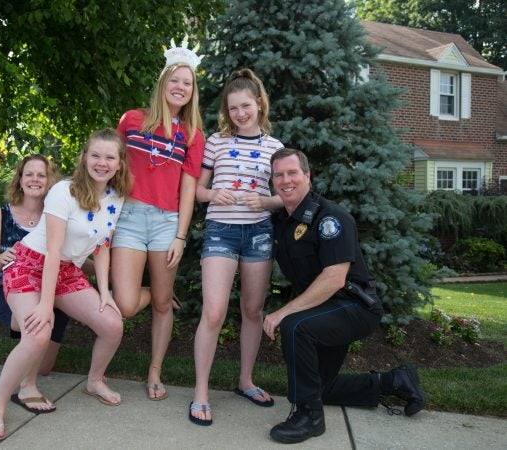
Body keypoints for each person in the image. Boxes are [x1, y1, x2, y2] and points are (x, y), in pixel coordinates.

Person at [262, 148, 425, 444]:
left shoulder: (330, 218)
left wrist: (282, 312)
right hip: (325, 307)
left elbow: (335, 278)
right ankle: (394, 381)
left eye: (292, 173)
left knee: (294, 326)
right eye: (278, 175)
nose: (285, 180)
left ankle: (310, 417)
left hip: (354, 306)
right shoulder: (282, 221)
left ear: (307, 176)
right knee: (319, 387)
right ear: (272, 181)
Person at [0, 128, 133, 441]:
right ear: (84, 158)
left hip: (65, 270)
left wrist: (105, 292)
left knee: (112, 324)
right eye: (95, 155)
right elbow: (52, 251)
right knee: (38, 334)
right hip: (28, 264)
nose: (101, 163)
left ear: (119, 163)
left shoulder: (116, 197)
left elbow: (103, 243)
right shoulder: (64, 191)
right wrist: (44, 305)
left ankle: (94, 380)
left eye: (109, 157)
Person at [111, 36, 205, 401]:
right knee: (127, 304)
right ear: (163, 83)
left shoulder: (193, 135)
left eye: (187, 82)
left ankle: (155, 370)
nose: (180, 87)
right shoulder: (132, 120)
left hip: (167, 223)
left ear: (192, 91)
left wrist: (181, 236)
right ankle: (153, 290)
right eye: (175, 80)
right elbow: (111, 168)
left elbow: (187, 189)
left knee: (163, 306)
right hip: (130, 219)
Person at [189, 69, 284, 426]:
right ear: (226, 112)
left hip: (258, 233)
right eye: (233, 109)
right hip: (221, 232)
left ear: (258, 104)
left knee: (252, 310)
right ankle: (201, 392)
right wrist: (213, 193)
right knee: (213, 313)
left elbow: (283, 197)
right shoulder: (215, 142)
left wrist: (265, 202)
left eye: (245, 106)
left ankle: (245, 381)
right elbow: (198, 190)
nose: (240, 113)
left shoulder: (275, 148)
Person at [0, 155, 71, 378]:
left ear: (49, 181)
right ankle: (23, 343)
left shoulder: (57, 215)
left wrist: (106, 275)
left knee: (43, 369)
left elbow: (68, 256)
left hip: (50, 289)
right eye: (29, 174)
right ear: (20, 180)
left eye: (41, 175)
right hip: (8, 286)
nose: (35, 179)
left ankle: (30, 342)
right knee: (33, 329)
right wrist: (1, 257)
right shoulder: (0, 216)